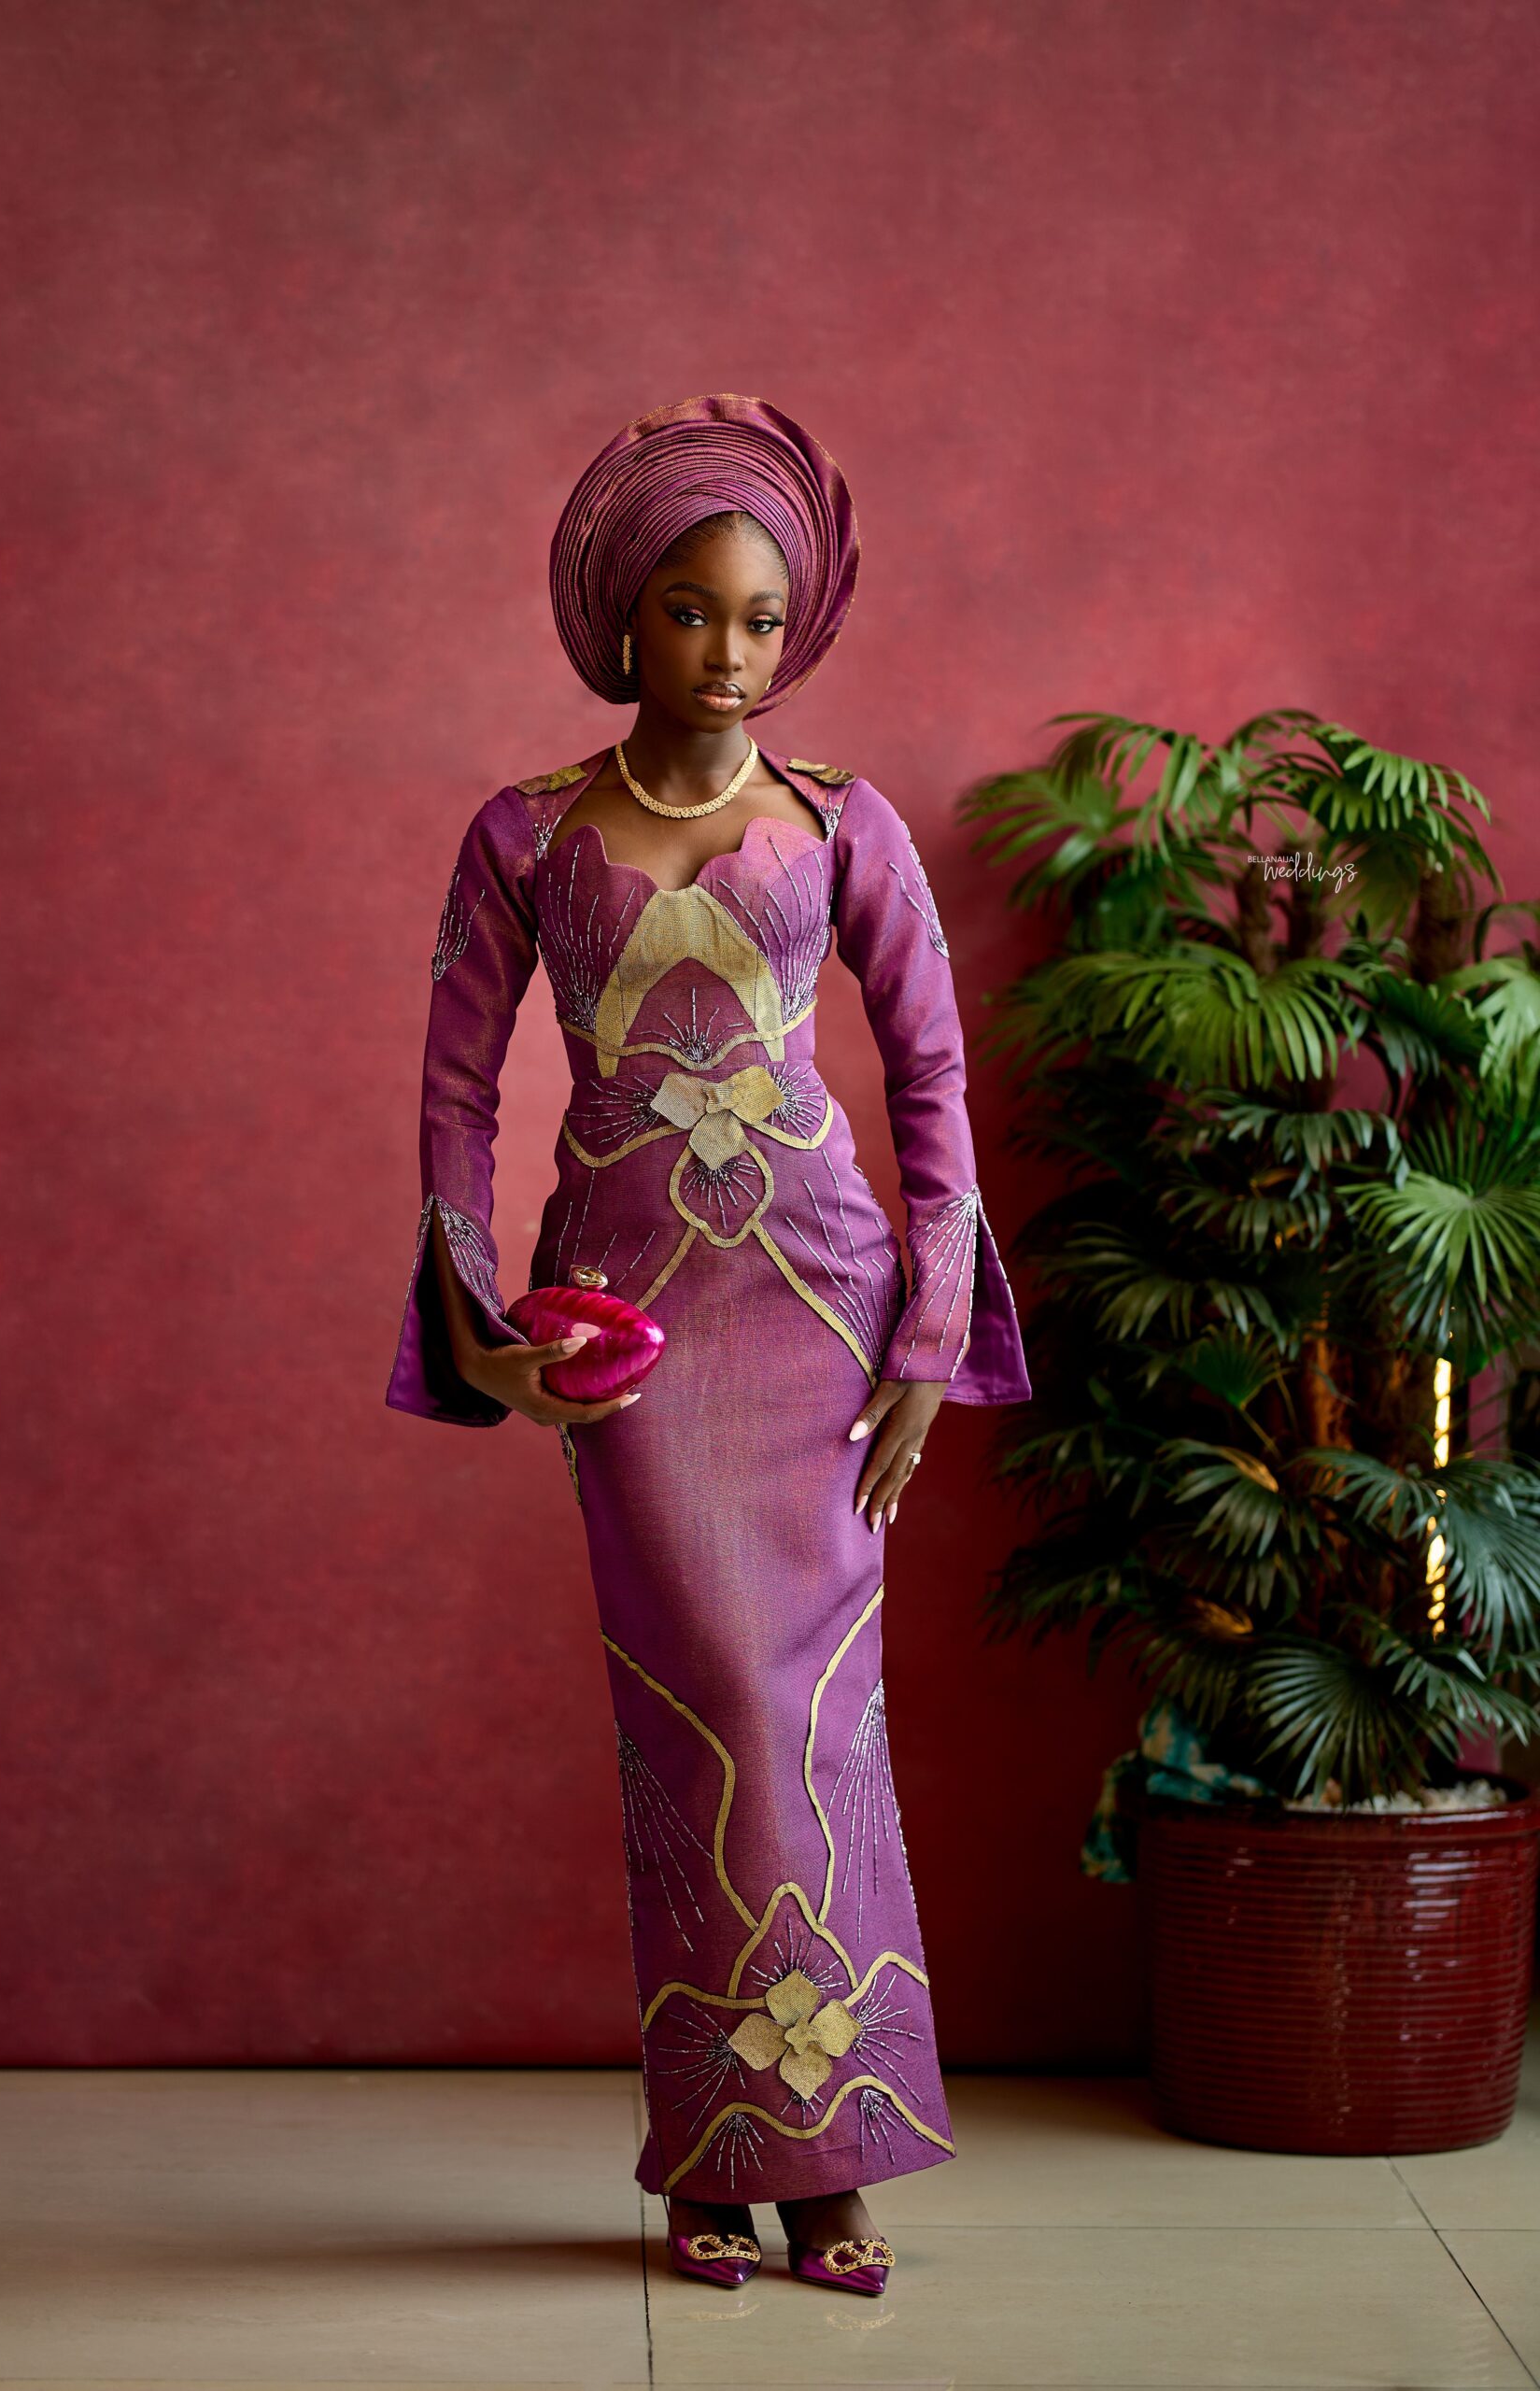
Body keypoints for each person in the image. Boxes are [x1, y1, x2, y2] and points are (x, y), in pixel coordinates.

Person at [386, 392, 1029, 2297]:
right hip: (632, 1328)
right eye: (690, 613)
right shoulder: (523, 832)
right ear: (622, 617)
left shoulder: (844, 825)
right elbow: (452, 1095)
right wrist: (483, 1327)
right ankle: (715, 2154)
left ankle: (825, 2163)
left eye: (760, 618)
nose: (731, 654)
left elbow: (933, 1077)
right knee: (704, 1732)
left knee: (818, 1728)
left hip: (821, 1310)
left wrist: (930, 1333)